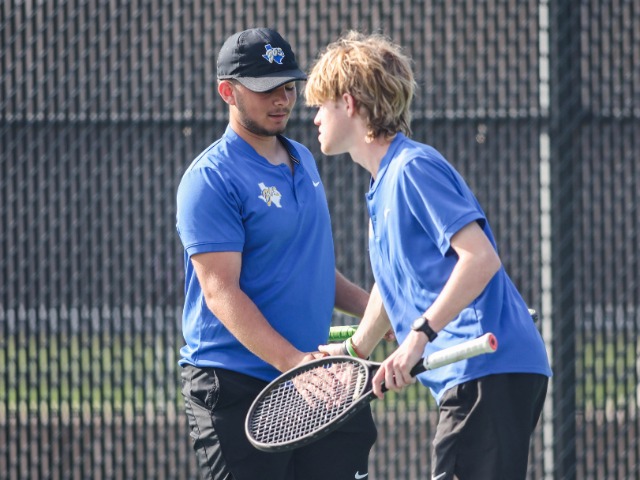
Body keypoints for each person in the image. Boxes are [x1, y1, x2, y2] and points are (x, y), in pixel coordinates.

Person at [306, 31, 552, 480]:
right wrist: (356, 350)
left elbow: (480, 259)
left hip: (486, 366)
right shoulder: (382, 185)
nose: (315, 117)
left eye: (321, 105)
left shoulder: (412, 168)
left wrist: (418, 337)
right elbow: (391, 286)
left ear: (349, 103)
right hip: (474, 377)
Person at [175, 28, 376, 480]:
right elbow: (219, 292)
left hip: (315, 377)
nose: (282, 99)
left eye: (288, 86)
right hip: (237, 386)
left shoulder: (303, 157)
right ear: (227, 92)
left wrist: (379, 313)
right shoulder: (210, 179)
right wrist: (294, 364)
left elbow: (310, 268)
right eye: (266, 88)